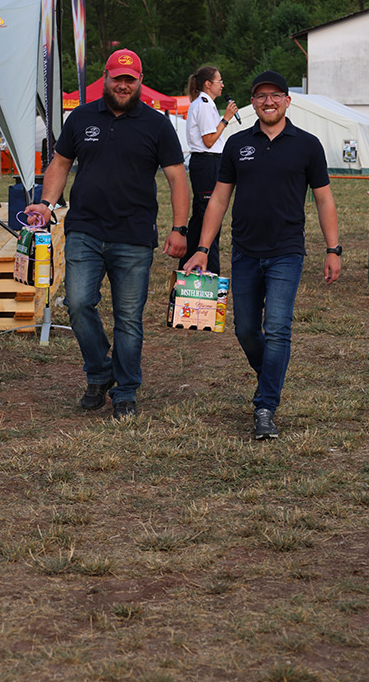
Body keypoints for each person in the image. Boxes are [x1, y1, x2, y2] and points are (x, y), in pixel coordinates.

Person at [25, 49, 190, 420]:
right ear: (106, 77)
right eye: (117, 77)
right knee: (79, 304)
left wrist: (180, 228)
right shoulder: (81, 118)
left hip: (134, 235)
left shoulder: (156, 124)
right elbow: (61, 163)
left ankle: (126, 390)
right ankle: (100, 372)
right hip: (85, 228)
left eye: (130, 79)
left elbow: (178, 177)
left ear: (140, 81)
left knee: (128, 317)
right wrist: (47, 204)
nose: (123, 84)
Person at [182, 71, 341, 441]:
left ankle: (265, 405)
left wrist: (333, 249)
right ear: (252, 103)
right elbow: (219, 199)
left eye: (275, 95)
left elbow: (324, 199)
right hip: (245, 251)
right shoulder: (237, 144)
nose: (268, 101)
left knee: (279, 328)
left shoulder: (307, 145)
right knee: (245, 329)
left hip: (287, 251)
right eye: (260, 96)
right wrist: (202, 249)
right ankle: (271, 370)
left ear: (288, 100)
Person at [179, 66, 238, 275]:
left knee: (201, 218)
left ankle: (187, 264)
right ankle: (210, 271)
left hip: (209, 162)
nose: (222, 84)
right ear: (208, 84)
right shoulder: (203, 105)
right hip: (207, 162)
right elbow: (209, 140)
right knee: (211, 218)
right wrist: (226, 118)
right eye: (219, 80)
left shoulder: (206, 104)